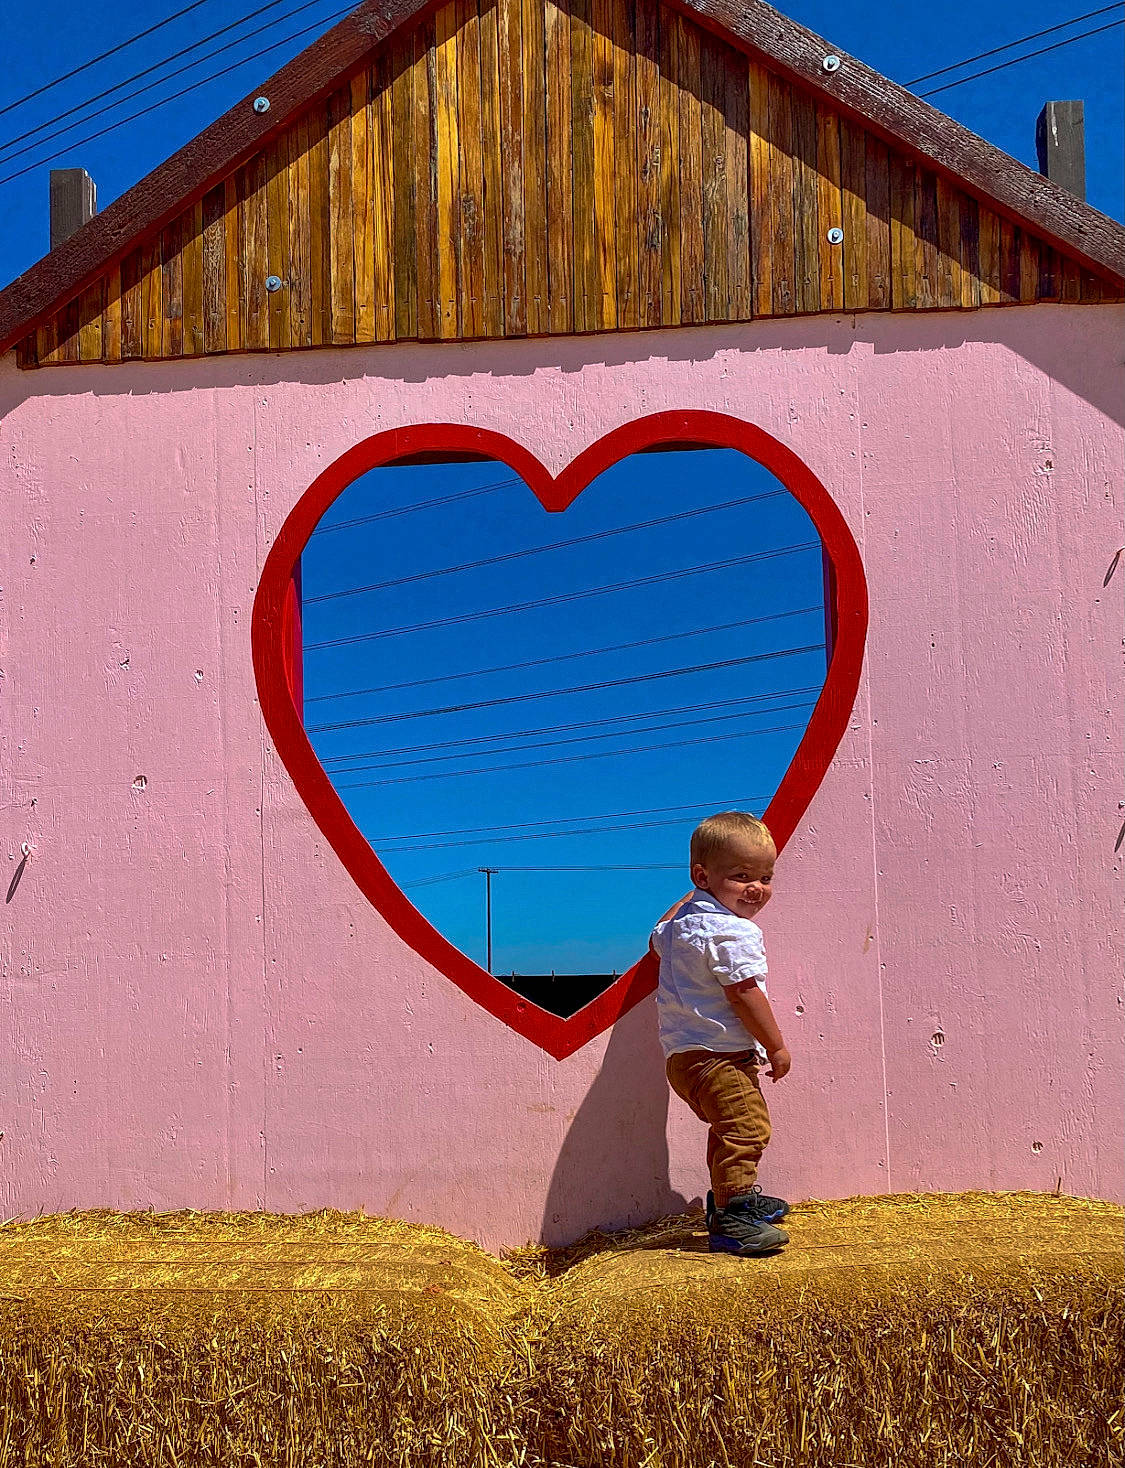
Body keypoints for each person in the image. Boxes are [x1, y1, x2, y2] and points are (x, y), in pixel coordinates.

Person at [651, 811, 792, 1256]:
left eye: (766, 876)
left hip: (683, 1057)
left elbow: (654, 936)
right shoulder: (733, 931)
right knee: (747, 1128)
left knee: (730, 1128)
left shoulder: (681, 927)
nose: (757, 888)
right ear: (704, 875)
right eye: (741, 876)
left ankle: (735, 1199)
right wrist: (776, 1045)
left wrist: (695, 894)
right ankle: (733, 1219)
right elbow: (744, 992)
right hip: (719, 1055)